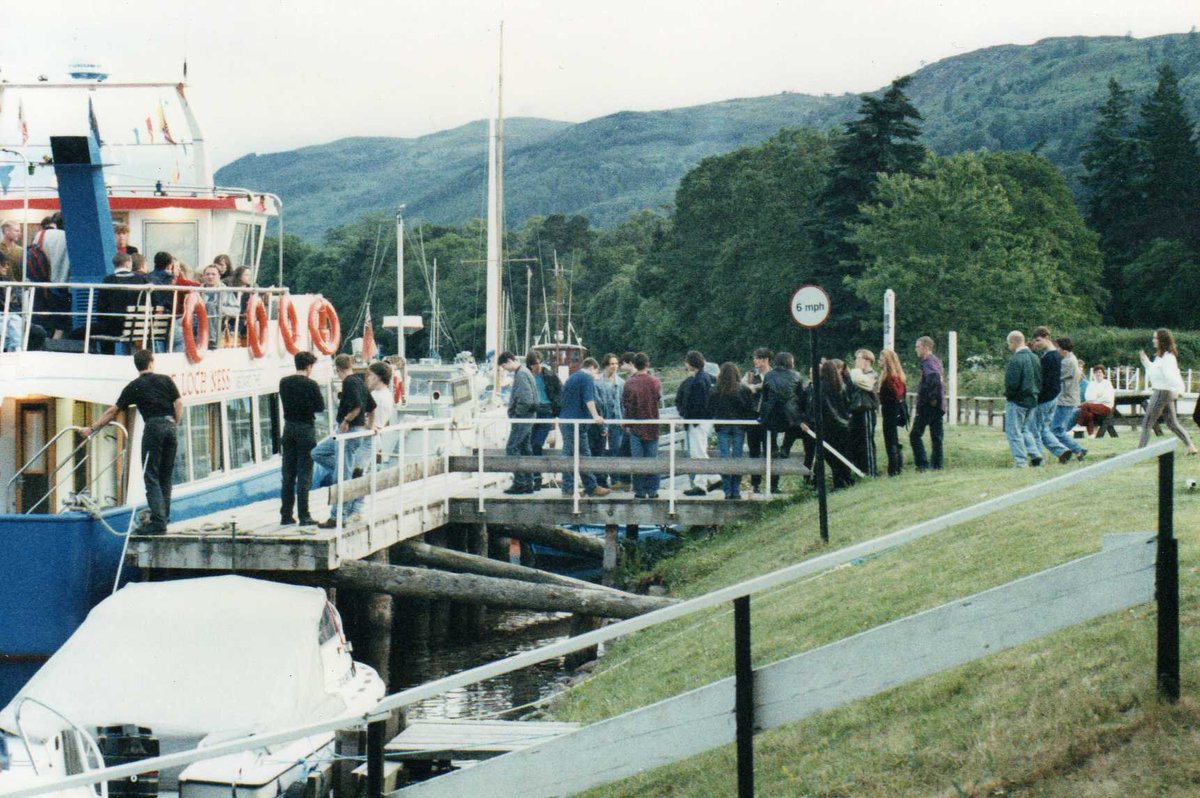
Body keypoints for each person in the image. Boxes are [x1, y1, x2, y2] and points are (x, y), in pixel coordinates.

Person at [83, 349, 182, 535]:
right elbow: (179, 403)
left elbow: (113, 411)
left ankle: (158, 522)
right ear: (151, 362)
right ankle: (164, 517)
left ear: (137, 366)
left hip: (153, 427)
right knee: (165, 476)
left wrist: (92, 428)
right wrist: (174, 423)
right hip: (170, 426)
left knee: (151, 475)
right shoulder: (166, 380)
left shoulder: (134, 386)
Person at [311, 354, 377, 527]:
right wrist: (369, 425)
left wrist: (346, 421)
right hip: (356, 431)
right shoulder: (360, 382)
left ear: (337, 368)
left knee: (342, 476)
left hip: (349, 432)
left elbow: (356, 405)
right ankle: (346, 472)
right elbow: (372, 406)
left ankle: (338, 516)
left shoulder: (349, 382)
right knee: (318, 453)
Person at [278, 351, 324, 525]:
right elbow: (320, 407)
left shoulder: (284, 382)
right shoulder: (311, 384)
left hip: (288, 427)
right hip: (305, 428)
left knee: (288, 473)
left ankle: (286, 515)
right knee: (305, 472)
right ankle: (304, 515)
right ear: (309, 366)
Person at [1138, 328, 1197, 454]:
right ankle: (1190, 447)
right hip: (1163, 391)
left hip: (1162, 392)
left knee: (1147, 422)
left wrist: (1179, 390)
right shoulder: (1161, 357)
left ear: (1162, 340)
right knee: (1172, 423)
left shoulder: (1168, 358)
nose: (1153, 341)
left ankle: (1139, 452)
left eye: (1155, 338)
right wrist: (1145, 361)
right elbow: (1156, 373)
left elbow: (1171, 376)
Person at [558, 357, 610, 497]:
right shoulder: (586, 378)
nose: (596, 376)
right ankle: (571, 487)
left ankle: (589, 486)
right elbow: (589, 399)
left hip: (567, 420)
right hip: (575, 422)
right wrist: (596, 416)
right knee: (573, 454)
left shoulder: (572, 377)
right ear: (592, 367)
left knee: (579, 453)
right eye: (596, 372)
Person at [709, 362, 754, 499]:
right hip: (739, 426)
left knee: (724, 457)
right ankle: (736, 489)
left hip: (722, 426)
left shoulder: (716, 390)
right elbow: (749, 408)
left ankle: (727, 490)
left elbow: (711, 408)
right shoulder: (743, 389)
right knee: (737, 457)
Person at [1025, 327, 1069, 465]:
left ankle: (1038, 459)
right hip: (1054, 396)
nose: (1036, 343)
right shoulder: (1055, 355)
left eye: (1038, 340)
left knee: (1034, 430)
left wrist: (1037, 398)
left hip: (1045, 398)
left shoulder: (1049, 357)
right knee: (1043, 428)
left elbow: (1045, 381)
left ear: (1046, 338)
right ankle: (1061, 451)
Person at [677, 350, 719, 496]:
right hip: (704, 420)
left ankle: (708, 481)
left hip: (698, 421)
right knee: (699, 451)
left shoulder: (699, 381)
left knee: (698, 452)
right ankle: (710, 480)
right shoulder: (707, 378)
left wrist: (687, 417)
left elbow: (698, 404)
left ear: (691, 363)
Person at [622, 352, 661, 499]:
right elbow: (657, 398)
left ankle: (639, 491)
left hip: (635, 425)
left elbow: (625, 403)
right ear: (647, 364)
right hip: (652, 424)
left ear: (634, 364)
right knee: (652, 459)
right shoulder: (655, 382)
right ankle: (653, 490)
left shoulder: (629, 383)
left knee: (637, 460)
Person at [500, 351, 538, 494]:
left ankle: (520, 482)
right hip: (529, 417)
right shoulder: (525, 371)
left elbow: (526, 399)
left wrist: (517, 414)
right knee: (525, 449)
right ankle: (529, 482)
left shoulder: (521, 374)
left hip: (523, 418)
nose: (505, 369)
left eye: (504, 366)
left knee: (512, 448)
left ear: (510, 361)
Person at [96, 252, 150, 350]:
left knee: (78, 333)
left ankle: (105, 357)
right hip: (137, 328)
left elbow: (100, 308)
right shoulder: (141, 280)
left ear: (114, 264)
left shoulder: (108, 280)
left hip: (114, 328)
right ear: (129, 264)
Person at [1003, 330, 1041, 468]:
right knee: (1025, 429)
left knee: (1014, 431)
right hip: (1033, 399)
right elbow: (1039, 379)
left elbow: (1012, 383)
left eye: (1009, 344)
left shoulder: (1016, 359)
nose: (1009, 347)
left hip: (1018, 400)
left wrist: (1009, 396)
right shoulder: (1035, 357)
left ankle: (1021, 462)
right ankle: (1035, 454)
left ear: (1013, 342)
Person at [526, 352, 562, 490]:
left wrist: (555, 411)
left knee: (537, 443)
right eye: (535, 364)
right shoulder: (526, 376)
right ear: (530, 365)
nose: (538, 366)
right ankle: (534, 477)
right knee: (529, 444)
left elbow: (559, 392)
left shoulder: (550, 375)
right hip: (532, 411)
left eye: (540, 362)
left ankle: (537, 478)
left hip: (546, 410)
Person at [910, 335, 945, 471]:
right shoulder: (936, 361)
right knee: (936, 436)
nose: (916, 350)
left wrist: (931, 399)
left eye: (917, 347)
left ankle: (922, 465)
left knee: (915, 435)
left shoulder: (928, 363)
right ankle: (937, 466)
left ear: (926, 347)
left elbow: (934, 379)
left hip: (928, 405)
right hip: (938, 405)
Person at [741, 348, 774, 494]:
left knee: (771, 450)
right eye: (754, 358)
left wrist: (756, 386)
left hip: (769, 418)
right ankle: (755, 484)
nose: (755, 361)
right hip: (752, 417)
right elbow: (742, 388)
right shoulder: (749, 375)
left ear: (766, 359)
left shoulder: (773, 375)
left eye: (758, 358)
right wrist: (749, 387)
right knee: (753, 450)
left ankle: (773, 484)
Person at [1050, 337, 1087, 463]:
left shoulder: (1068, 362)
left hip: (1065, 399)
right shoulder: (1070, 359)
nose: (1056, 350)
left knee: (1057, 430)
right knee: (1058, 429)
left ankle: (1076, 449)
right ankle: (1074, 450)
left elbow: (1055, 376)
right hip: (1066, 398)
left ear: (1064, 350)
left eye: (1058, 347)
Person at [820, 360, 855, 489]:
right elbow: (847, 405)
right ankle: (846, 478)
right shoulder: (842, 386)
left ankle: (839, 481)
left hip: (827, 426)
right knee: (843, 453)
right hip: (843, 425)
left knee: (830, 455)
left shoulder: (820, 387)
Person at [592, 353, 625, 490]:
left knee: (615, 449)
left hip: (616, 421)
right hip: (601, 421)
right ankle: (601, 479)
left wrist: (624, 419)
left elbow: (623, 403)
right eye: (612, 364)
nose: (614, 366)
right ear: (606, 365)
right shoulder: (597, 381)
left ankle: (616, 479)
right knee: (600, 450)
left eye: (616, 364)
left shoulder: (621, 382)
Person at [847, 349, 880, 477]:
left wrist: (856, 370)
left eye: (859, 358)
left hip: (866, 411)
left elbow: (859, 381)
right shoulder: (859, 373)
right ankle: (859, 470)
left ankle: (871, 472)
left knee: (866, 442)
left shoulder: (872, 375)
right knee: (856, 442)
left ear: (867, 360)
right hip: (856, 411)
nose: (856, 361)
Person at [877, 349, 907, 476]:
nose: (880, 361)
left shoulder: (889, 379)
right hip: (895, 408)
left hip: (889, 409)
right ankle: (898, 466)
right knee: (893, 437)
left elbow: (891, 395)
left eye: (882, 359)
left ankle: (893, 469)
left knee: (890, 439)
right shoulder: (899, 376)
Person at [200, 264, 239, 348]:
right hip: (199, 321)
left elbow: (236, 310)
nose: (210, 277)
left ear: (219, 276)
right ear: (203, 276)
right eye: (207, 274)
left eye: (213, 274)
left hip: (220, 322)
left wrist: (219, 308)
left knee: (210, 306)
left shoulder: (226, 291)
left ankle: (211, 340)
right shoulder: (197, 291)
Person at [1076, 365, 1115, 437]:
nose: (1098, 374)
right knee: (1088, 414)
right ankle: (1091, 434)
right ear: (1094, 374)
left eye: (1100, 372)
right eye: (1096, 372)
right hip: (1093, 407)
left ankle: (1078, 425)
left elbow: (1107, 398)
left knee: (1085, 405)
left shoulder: (1107, 383)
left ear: (1103, 374)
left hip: (1105, 407)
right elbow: (1088, 397)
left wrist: (1095, 400)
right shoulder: (1091, 384)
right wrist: (1098, 397)